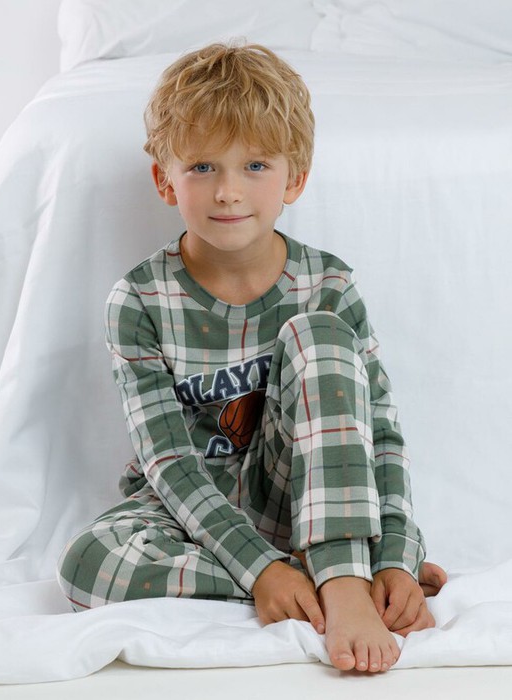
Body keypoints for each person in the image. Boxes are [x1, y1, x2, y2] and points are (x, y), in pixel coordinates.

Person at [57, 42, 447, 674]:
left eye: (256, 165)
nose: (229, 191)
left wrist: (398, 551)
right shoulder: (139, 300)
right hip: (190, 511)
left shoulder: (329, 285)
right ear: (165, 179)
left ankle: (348, 580)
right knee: (85, 563)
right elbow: (168, 463)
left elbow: (378, 435)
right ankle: (311, 577)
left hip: (304, 496)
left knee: (318, 335)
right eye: (203, 166)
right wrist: (261, 569)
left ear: (295, 177)